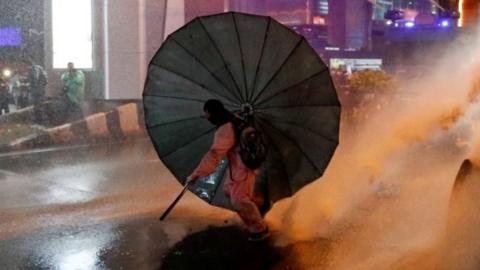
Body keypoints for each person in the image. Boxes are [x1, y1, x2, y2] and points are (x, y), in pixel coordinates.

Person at [187, 99, 270, 241]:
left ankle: (260, 230)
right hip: (238, 167)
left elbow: (214, 154)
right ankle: (260, 204)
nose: (206, 117)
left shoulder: (225, 129)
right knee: (228, 190)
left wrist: (196, 175)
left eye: (206, 113)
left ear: (212, 112)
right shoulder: (233, 120)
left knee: (239, 201)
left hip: (242, 170)